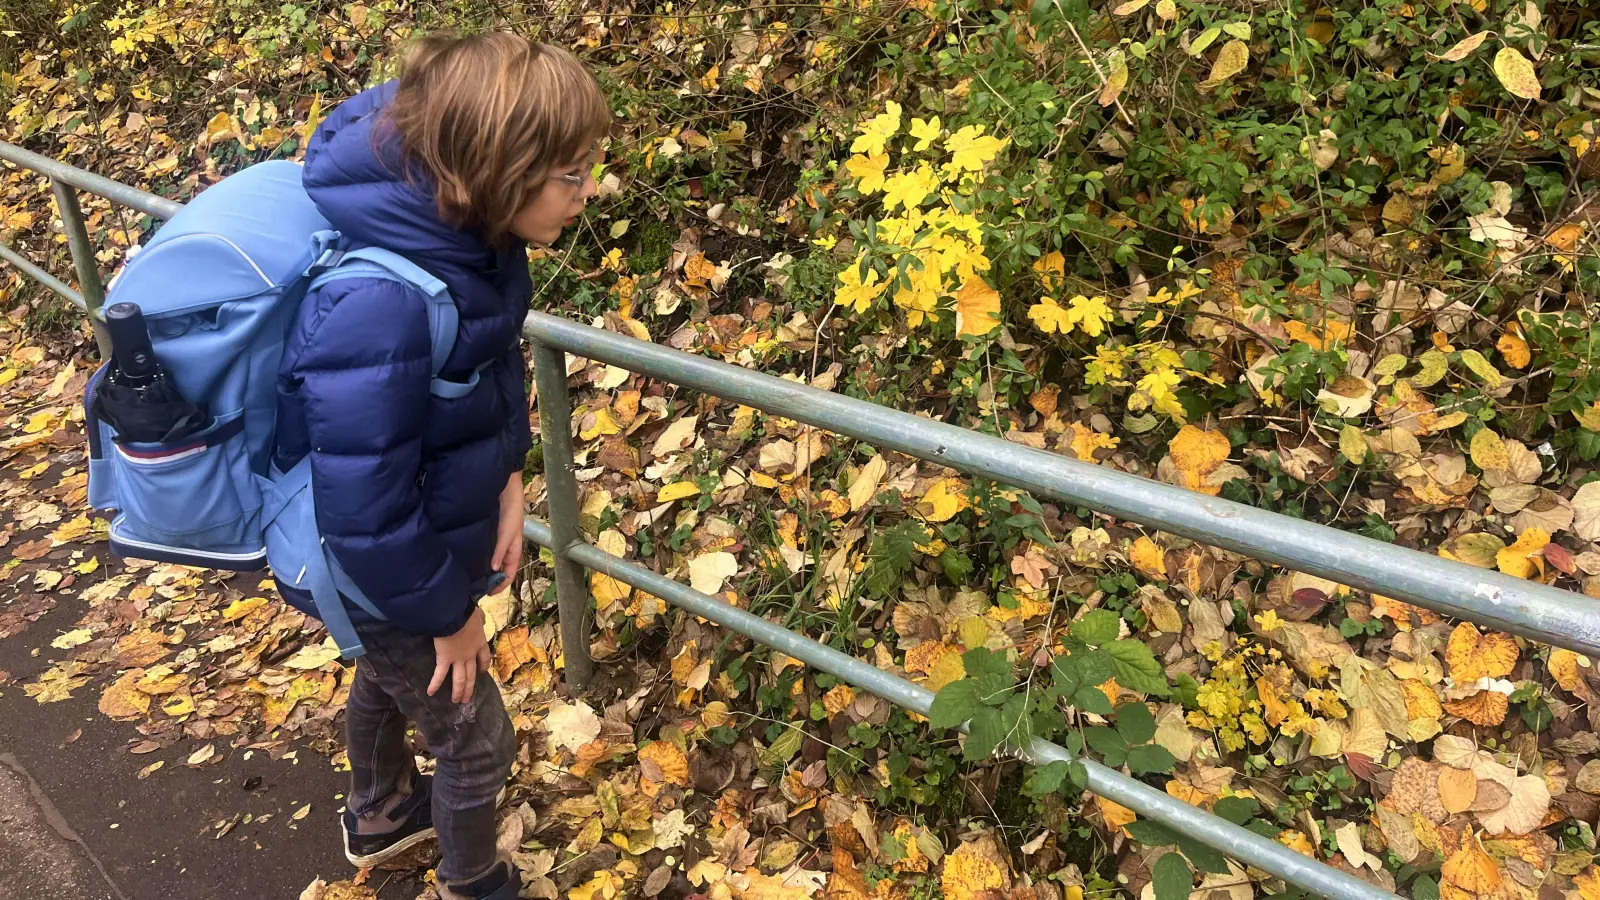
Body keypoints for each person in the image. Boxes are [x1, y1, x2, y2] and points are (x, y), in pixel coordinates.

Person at [272, 33, 607, 900]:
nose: (590, 191)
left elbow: (487, 373)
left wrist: (507, 479)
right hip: (373, 562)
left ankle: (381, 813)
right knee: (476, 740)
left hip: (406, 545)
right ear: (500, 167)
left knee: (392, 678)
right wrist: (450, 616)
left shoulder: (473, 244)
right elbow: (365, 516)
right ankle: (472, 883)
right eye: (570, 174)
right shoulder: (378, 305)